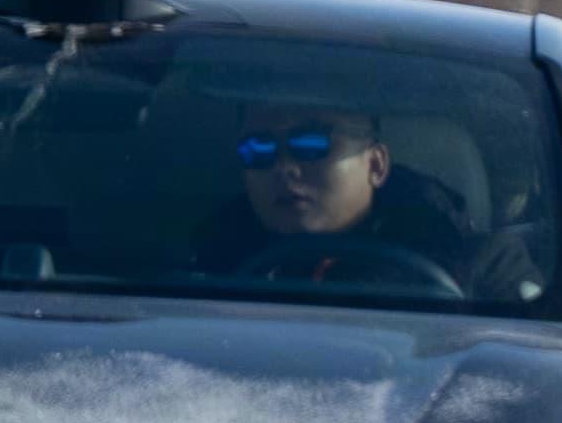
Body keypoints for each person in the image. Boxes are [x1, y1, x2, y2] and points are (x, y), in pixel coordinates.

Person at [189, 102, 479, 295]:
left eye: (311, 145)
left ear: (376, 166)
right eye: (258, 150)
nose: (283, 168)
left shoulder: (473, 266)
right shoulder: (201, 268)